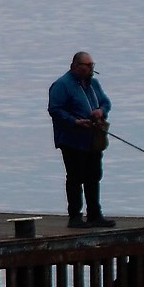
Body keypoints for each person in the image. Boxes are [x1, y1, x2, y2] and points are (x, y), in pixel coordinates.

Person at [46, 51, 114, 228]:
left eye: (92, 66)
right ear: (75, 66)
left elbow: (106, 102)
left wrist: (101, 112)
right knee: (76, 177)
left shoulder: (94, 84)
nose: (91, 69)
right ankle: (75, 216)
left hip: (92, 138)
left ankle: (94, 214)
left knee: (94, 175)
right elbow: (55, 109)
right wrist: (75, 122)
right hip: (71, 140)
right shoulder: (62, 85)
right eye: (87, 66)